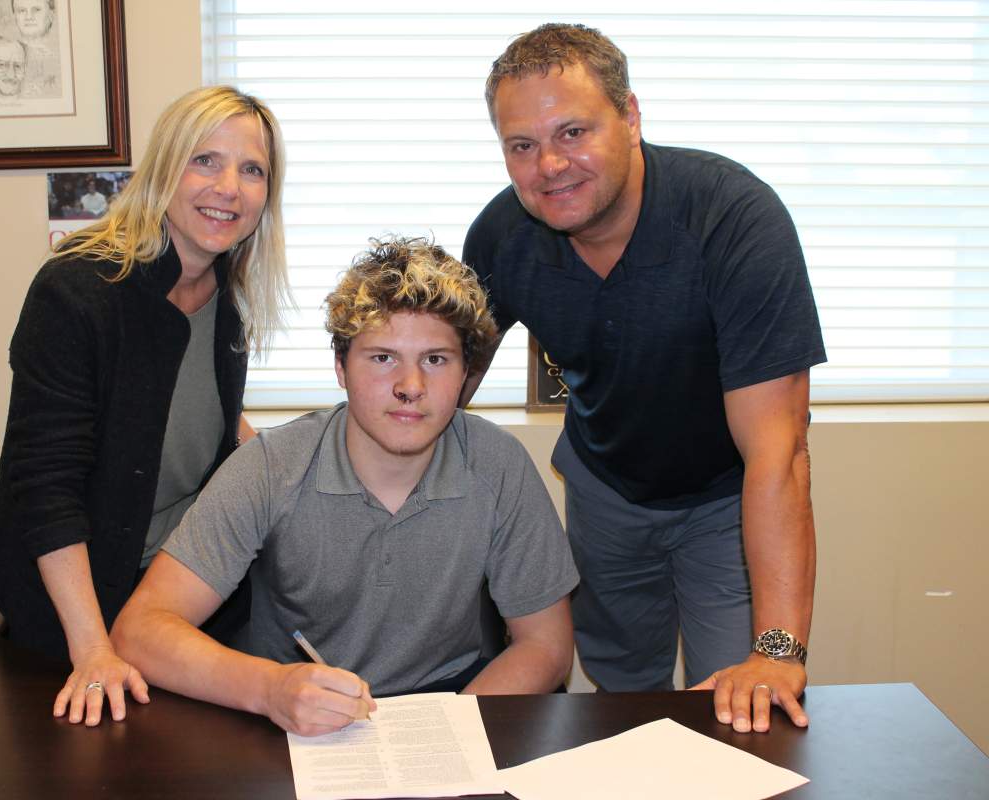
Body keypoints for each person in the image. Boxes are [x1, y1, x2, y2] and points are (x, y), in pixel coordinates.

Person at [462, 23, 825, 735]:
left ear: (630, 117)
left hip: (727, 500)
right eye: (522, 146)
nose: (550, 166)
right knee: (622, 707)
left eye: (573, 131)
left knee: (744, 709)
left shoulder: (734, 220)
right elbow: (433, 388)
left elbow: (778, 452)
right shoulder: (504, 237)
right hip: (605, 494)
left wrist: (779, 651)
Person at [111, 237, 578, 737]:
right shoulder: (271, 466)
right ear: (341, 367)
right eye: (382, 358)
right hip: (289, 713)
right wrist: (270, 689)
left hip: (451, 706)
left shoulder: (499, 465)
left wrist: (447, 736)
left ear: (466, 372)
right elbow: (139, 631)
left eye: (436, 360)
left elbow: (546, 646)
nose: (410, 385)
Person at [0, 86, 291, 727]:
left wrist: (293, 470)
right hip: (84, 612)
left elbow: (210, 427)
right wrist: (93, 650)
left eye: (252, 170)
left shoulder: (225, 295)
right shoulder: (76, 291)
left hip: (183, 586)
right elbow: (44, 489)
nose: (229, 188)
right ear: (165, 167)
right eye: (205, 160)